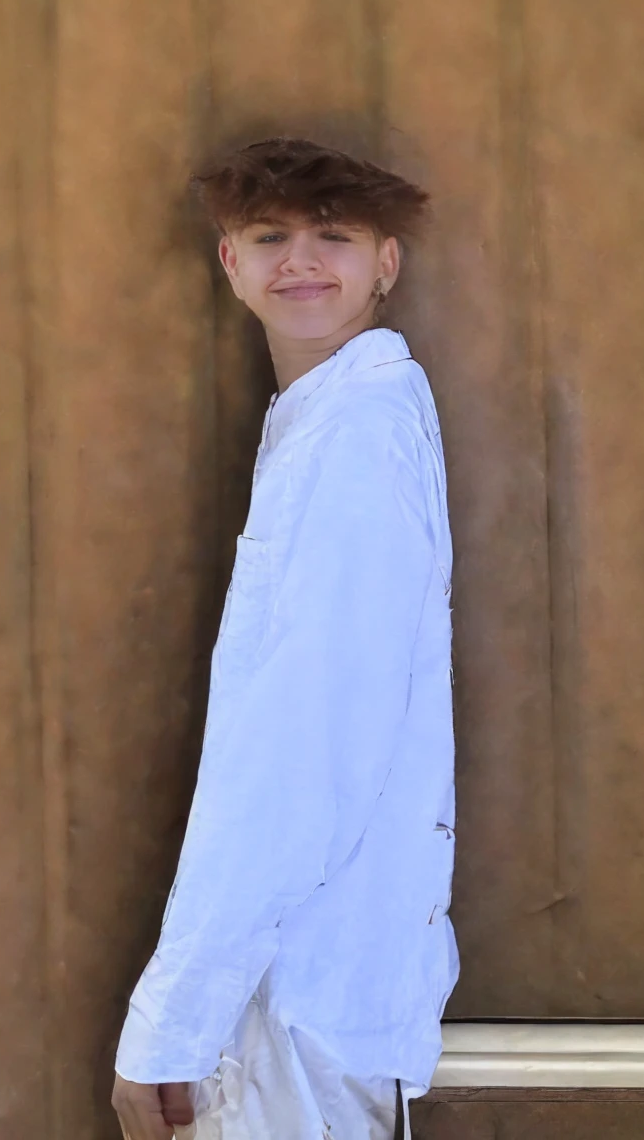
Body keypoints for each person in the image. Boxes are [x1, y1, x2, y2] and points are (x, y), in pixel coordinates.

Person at [111, 137, 459, 1140]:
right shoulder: (323, 419)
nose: (299, 261)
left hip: (302, 1004)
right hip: (297, 995)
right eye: (269, 237)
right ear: (230, 263)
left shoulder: (356, 438)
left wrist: (171, 1024)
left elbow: (304, 757)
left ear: (385, 264)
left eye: (333, 237)